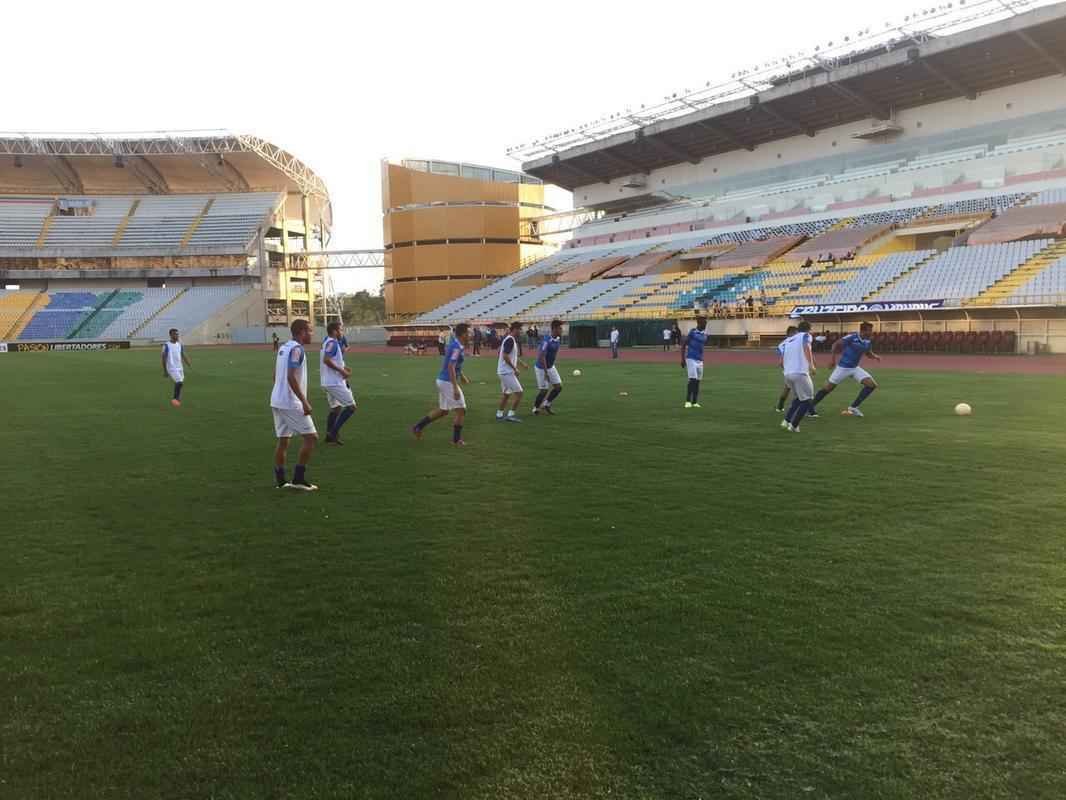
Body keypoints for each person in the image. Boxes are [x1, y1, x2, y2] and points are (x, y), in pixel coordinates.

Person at [271, 319, 318, 491]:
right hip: (290, 402)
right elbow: (290, 376)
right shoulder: (297, 349)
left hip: (277, 400)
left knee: (283, 441)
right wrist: (304, 401)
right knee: (311, 438)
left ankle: (281, 481)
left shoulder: (284, 347)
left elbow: (275, 375)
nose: (312, 334)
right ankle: (298, 479)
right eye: (310, 331)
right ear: (302, 331)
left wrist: (279, 392)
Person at [412, 322, 471, 446]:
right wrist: (455, 387)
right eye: (468, 332)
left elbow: (454, 365)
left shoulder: (456, 344)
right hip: (447, 382)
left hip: (443, 380)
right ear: (463, 334)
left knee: (444, 411)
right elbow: (450, 366)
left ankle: (418, 427)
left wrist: (463, 376)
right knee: (461, 410)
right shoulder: (457, 347)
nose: (470, 335)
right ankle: (456, 440)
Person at [809, 321, 882, 418]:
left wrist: (875, 356)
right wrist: (833, 359)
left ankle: (853, 408)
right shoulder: (852, 337)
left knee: (872, 385)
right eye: (870, 331)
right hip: (843, 368)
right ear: (863, 331)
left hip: (854, 368)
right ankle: (809, 407)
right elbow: (835, 345)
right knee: (827, 388)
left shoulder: (868, 341)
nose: (871, 333)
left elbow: (868, 353)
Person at [320, 321, 356, 445]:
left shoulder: (327, 342)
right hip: (334, 382)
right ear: (335, 331)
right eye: (341, 330)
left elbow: (332, 360)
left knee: (336, 408)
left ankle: (329, 437)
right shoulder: (332, 343)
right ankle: (333, 432)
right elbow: (326, 360)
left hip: (329, 381)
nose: (342, 332)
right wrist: (342, 371)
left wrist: (343, 367)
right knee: (351, 407)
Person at [779, 321, 816, 433]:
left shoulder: (788, 340)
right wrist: (811, 365)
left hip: (787, 374)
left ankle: (786, 420)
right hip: (799, 372)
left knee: (799, 399)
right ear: (808, 329)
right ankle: (794, 425)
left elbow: (782, 359)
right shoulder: (806, 336)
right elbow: (806, 347)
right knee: (808, 399)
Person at [532, 319, 564, 416]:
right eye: (560, 328)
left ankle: (546, 404)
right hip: (541, 368)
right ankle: (536, 408)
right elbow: (541, 356)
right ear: (554, 329)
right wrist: (546, 372)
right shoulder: (547, 341)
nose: (561, 330)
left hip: (550, 367)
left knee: (558, 387)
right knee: (544, 390)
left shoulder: (557, 339)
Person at [496, 321, 525, 423]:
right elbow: (505, 356)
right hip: (506, 372)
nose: (521, 332)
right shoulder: (510, 340)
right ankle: (510, 415)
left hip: (503, 371)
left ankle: (499, 414)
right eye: (520, 330)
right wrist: (515, 368)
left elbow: (511, 355)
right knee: (519, 393)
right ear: (515, 329)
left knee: (506, 394)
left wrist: (521, 364)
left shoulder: (509, 339)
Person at [682, 316, 710, 408]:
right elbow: (684, 345)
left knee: (697, 381)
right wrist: (682, 359)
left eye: (705, 323)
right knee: (692, 380)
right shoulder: (692, 332)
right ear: (699, 323)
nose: (705, 325)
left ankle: (695, 402)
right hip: (691, 358)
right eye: (704, 323)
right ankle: (687, 401)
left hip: (700, 360)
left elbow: (703, 340)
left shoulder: (704, 334)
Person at [161, 328, 191, 408]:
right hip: (171, 368)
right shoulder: (166, 345)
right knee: (179, 382)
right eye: (175, 334)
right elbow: (163, 358)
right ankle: (175, 399)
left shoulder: (179, 344)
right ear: (170, 335)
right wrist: (165, 371)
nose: (177, 335)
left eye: (177, 334)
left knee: (180, 383)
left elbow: (183, 354)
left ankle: (178, 398)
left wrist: (187, 362)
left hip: (179, 367)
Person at [775, 325, 798, 412]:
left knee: (787, 387)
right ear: (792, 333)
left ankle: (780, 406)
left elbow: (781, 360)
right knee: (803, 390)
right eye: (796, 333)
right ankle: (809, 410)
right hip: (795, 369)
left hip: (788, 369)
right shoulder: (794, 342)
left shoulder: (782, 344)